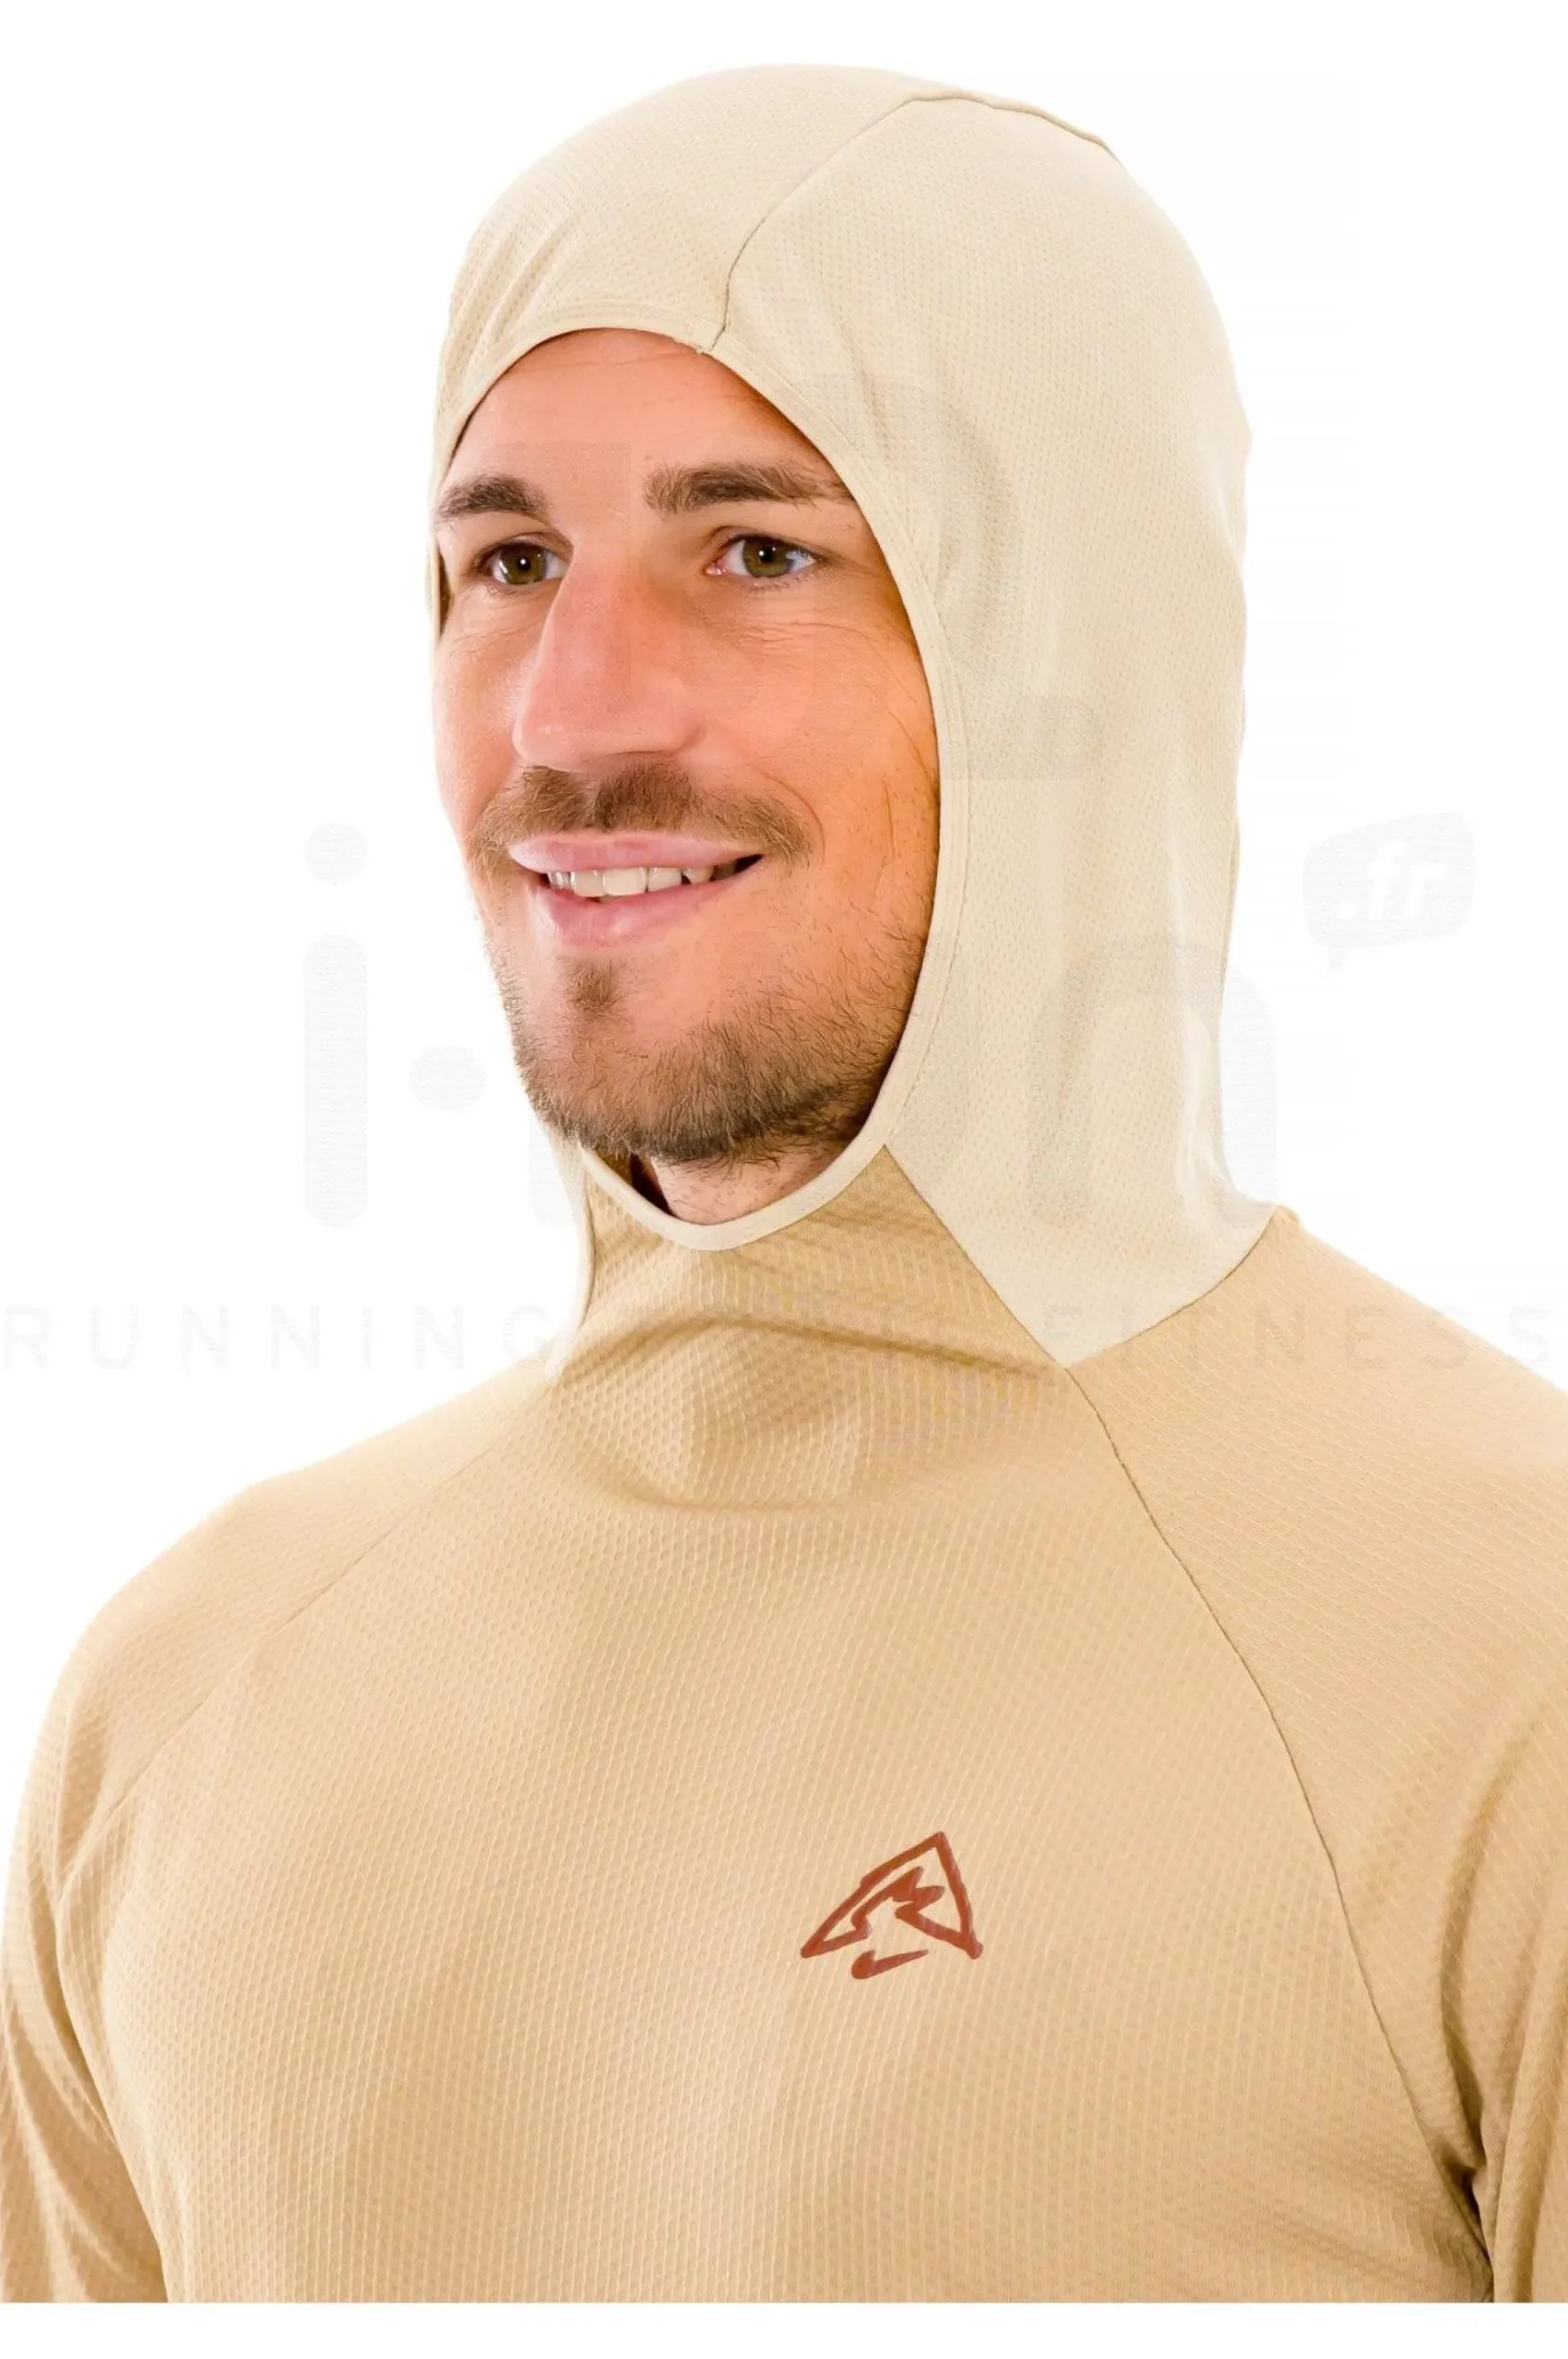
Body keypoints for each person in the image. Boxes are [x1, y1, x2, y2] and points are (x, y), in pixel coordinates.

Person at [3, 60, 1565, 2305]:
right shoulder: (178, 1701)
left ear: (1061, 651)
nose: (571, 713)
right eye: (507, 560)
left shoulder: (1502, 1655)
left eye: (755, 551)